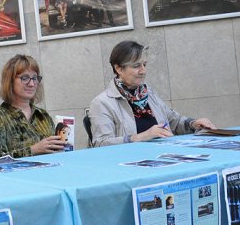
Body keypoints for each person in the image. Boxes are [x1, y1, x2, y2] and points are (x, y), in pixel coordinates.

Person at [88, 41, 216, 146]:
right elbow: (100, 143)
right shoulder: (101, 103)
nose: (143, 71)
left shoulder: (147, 92)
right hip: (131, 165)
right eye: (136, 66)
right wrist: (139, 137)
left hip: (164, 156)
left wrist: (193, 123)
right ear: (118, 68)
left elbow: (173, 121)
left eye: (144, 64)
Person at [0, 55, 65, 159]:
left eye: (35, 78)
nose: (31, 84)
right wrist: (33, 150)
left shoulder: (43, 115)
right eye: (25, 78)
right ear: (10, 81)